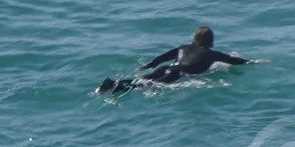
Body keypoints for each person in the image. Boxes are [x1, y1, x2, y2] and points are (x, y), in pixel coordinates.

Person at [97, 27, 253, 95]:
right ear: (211, 43)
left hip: (167, 67)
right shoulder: (212, 54)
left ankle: (116, 82)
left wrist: (149, 65)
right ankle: (122, 88)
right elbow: (233, 60)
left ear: (194, 39)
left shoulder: (183, 48)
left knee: (144, 79)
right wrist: (253, 62)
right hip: (179, 74)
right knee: (150, 86)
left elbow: (161, 58)